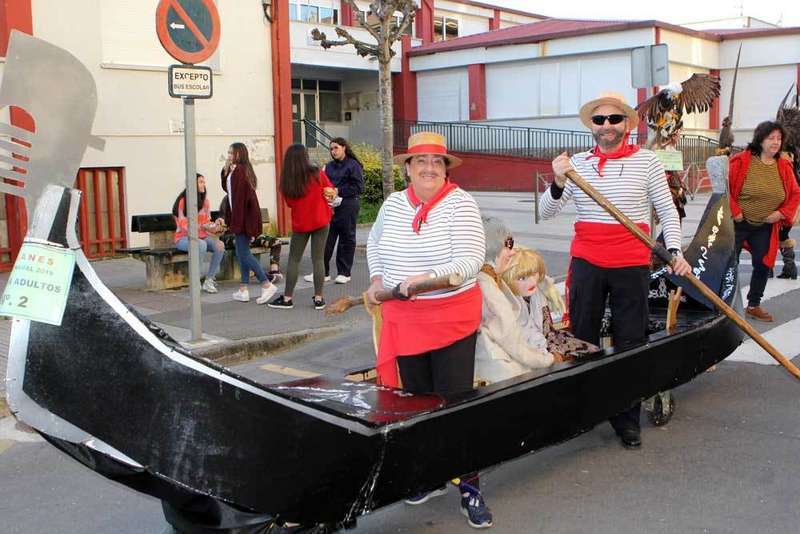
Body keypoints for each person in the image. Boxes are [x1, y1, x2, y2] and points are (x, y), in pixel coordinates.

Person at [542, 92, 692, 450]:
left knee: (631, 342)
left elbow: (668, 212)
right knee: (582, 337)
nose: (606, 126)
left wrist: (674, 250)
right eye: (599, 120)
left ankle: (626, 418)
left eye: (614, 119)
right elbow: (546, 212)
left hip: (631, 263)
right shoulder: (575, 164)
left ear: (626, 124)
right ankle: (583, 411)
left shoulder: (647, 162)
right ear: (592, 127)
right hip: (587, 263)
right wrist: (559, 181)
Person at [366, 131, 492, 529]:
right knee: (418, 403)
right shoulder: (392, 204)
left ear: (445, 169)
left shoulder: (461, 203)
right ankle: (431, 476)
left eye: (436, 162)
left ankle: (470, 486)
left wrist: (428, 279)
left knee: (454, 402)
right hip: (405, 319)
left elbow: (471, 260)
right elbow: (375, 243)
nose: (428, 168)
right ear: (407, 168)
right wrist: (377, 277)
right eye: (420, 161)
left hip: (450, 316)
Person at [729, 121, 800, 320]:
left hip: (765, 226)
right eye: (771, 138)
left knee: (763, 264)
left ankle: (753, 305)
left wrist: (781, 213)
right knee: (728, 264)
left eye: (779, 138)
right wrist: (734, 210)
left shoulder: (784, 165)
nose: (776, 142)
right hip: (737, 224)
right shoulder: (741, 161)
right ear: (760, 140)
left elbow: (795, 193)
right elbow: (724, 188)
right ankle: (724, 305)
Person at [474, 217, 554, 384]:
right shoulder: (487, 287)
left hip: (501, 362)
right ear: (492, 247)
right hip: (500, 370)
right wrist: (545, 359)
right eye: (507, 245)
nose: (512, 252)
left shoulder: (490, 280)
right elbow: (512, 342)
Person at [268, 144, 335, 310]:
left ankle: (287, 298)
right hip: (321, 220)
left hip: (301, 223)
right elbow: (330, 190)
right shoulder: (317, 173)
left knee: (294, 260)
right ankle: (319, 299)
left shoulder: (287, 181)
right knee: (318, 259)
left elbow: (290, 203)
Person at [221, 142, 278, 304]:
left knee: (243, 253)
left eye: (232, 153)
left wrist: (235, 223)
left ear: (239, 154)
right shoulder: (239, 170)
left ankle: (266, 283)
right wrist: (226, 172)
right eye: (228, 152)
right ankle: (243, 289)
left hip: (244, 218)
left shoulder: (239, 171)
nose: (229, 155)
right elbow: (229, 191)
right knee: (242, 252)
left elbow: (238, 200)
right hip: (245, 217)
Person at [304, 137, 364, 285]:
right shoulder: (329, 166)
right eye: (331, 149)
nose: (333, 151)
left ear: (344, 148)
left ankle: (344, 272)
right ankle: (322, 273)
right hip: (330, 205)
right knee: (326, 238)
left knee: (346, 238)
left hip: (348, 204)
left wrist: (339, 190)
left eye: (336, 148)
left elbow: (359, 188)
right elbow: (322, 183)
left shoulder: (353, 165)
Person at [172, 173, 225, 293]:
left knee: (220, 245)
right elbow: (184, 226)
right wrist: (203, 226)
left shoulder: (205, 202)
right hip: (183, 238)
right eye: (201, 182)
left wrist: (215, 226)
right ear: (192, 184)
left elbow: (207, 222)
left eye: (204, 182)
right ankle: (195, 280)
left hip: (201, 237)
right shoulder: (183, 202)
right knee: (201, 245)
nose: (204, 184)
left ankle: (209, 280)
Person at [218, 195, 283, 281]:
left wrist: (251, 232)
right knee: (242, 244)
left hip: (249, 234)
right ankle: (262, 275)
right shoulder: (228, 199)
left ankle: (274, 270)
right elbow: (226, 224)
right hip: (230, 236)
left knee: (276, 242)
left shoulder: (247, 198)